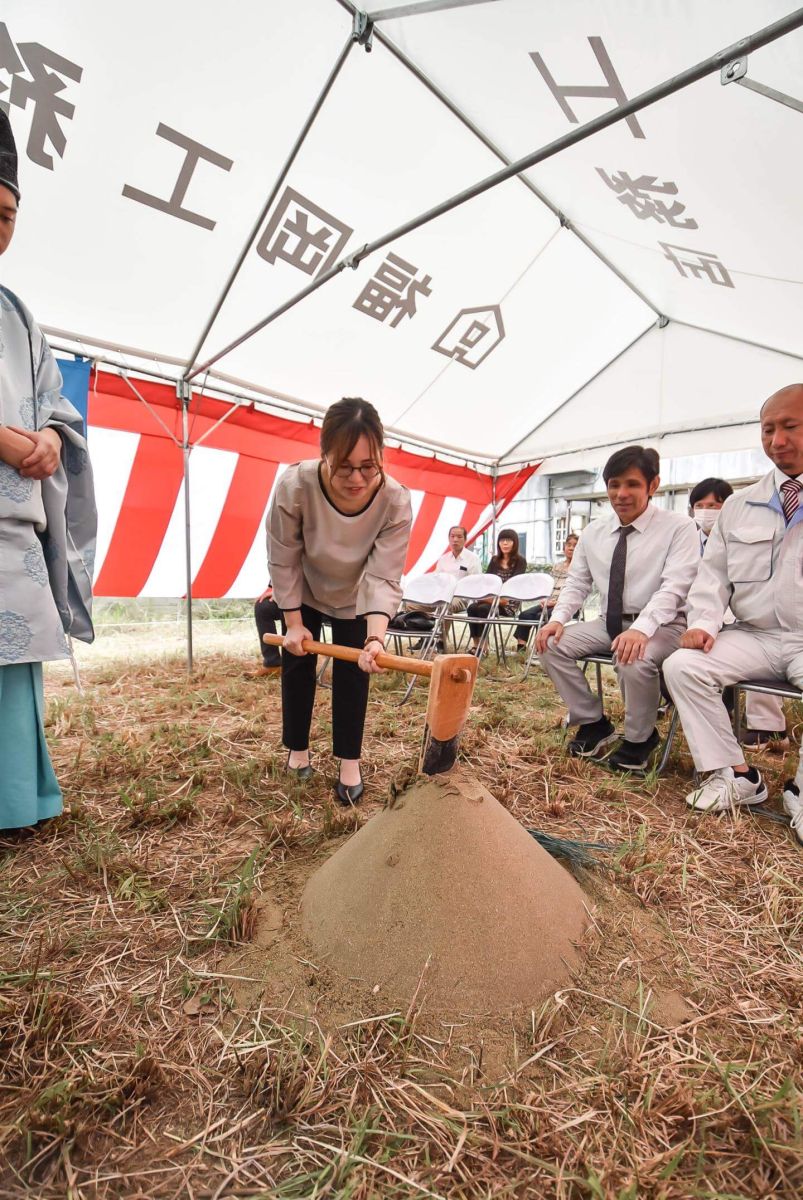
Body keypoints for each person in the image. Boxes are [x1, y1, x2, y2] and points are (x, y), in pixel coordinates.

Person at [0, 110, 96, 830]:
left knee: (13, 677)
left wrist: (52, 440)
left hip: (14, 529)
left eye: (7, 215)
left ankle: (18, 802)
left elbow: (54, 404)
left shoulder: (18, 314)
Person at [663, 385, 803, 841]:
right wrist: (703, 622)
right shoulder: (741, 505)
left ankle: (801, 791)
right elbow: (713, 575)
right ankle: (737, 775)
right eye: (768, 429)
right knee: (683, 665)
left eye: (790, 426)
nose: (777, 440)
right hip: (755, 635)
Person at [268, 397, 412, 805]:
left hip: (356, 595)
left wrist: (375, 639)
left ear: (381, 457)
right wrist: (294, 623)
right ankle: (298, 750)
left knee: (354, 672)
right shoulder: (295, 485)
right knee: (298, 662)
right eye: (343, 465)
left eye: (368, 466)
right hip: (307, 586)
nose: (356, 478)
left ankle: (349, 761)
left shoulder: (396, 500)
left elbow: (384, 574)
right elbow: (283, 556)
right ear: (324, 454)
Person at [535, 445, 699, 772]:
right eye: (613, 484)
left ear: (653, 486)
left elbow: (675, 585)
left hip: (664, 625)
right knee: (549, 644)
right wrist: (558, 620)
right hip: (608, 623)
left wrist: (642, 629)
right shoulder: (594, 532)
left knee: (633, 658)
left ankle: (641, 737)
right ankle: (593, 722)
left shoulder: (679, 528)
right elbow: (577, 582)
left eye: (632, 484)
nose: (621, 493)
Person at [689, 477, 788, 749]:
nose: (706, 511)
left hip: (753, 619)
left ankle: (766, 726)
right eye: (700, 505)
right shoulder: (690, 537)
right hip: (723, 620)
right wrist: (703, 623)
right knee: (684, 664)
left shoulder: (752, 518)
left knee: (757, 645)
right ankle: (732, 770)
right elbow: (710, 580)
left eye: (713, 504)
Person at [514, 532, 579, 651]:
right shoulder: (557, 566)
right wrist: (545, 599)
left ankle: (542, 650)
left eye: (575, 545)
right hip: (549, 602)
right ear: (564, 547)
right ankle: (521, 648)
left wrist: (555, 603)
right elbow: (549, 586)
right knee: (525, 614)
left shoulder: (580, 567)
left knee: (542, 616)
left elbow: (576, 593)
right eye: (568, 544)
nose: (571, 548)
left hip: (567, 606)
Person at [466, 528, 526, 654]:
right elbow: (488, 581)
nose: (504, 543)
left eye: (508, 540)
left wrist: (497, 599)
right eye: (502, 540)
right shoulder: (494, 560)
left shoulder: (520, 561)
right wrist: (487, 596)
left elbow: (514, 584)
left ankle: (484, 648)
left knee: (483, 609)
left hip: (508, 601)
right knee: (472, 608)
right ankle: (477, 645)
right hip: (491, 599)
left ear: (515, 543)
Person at [253, 585, 282, 673]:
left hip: (315, 598)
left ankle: (294, 662)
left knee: (294, 606)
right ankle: (273, 664)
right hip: (293, 594)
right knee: (263, 606)